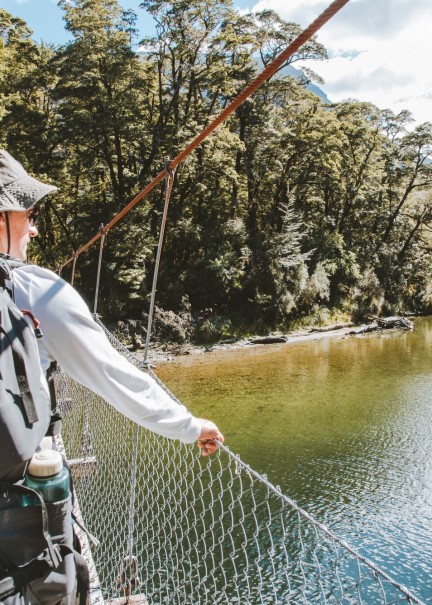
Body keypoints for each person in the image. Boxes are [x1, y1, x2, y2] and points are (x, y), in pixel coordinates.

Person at [0, 147, 224, 602]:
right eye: (29, 211)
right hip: (22, 500)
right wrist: (189, 426)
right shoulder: (31, 288)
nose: (36, 226)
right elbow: (113, 374)